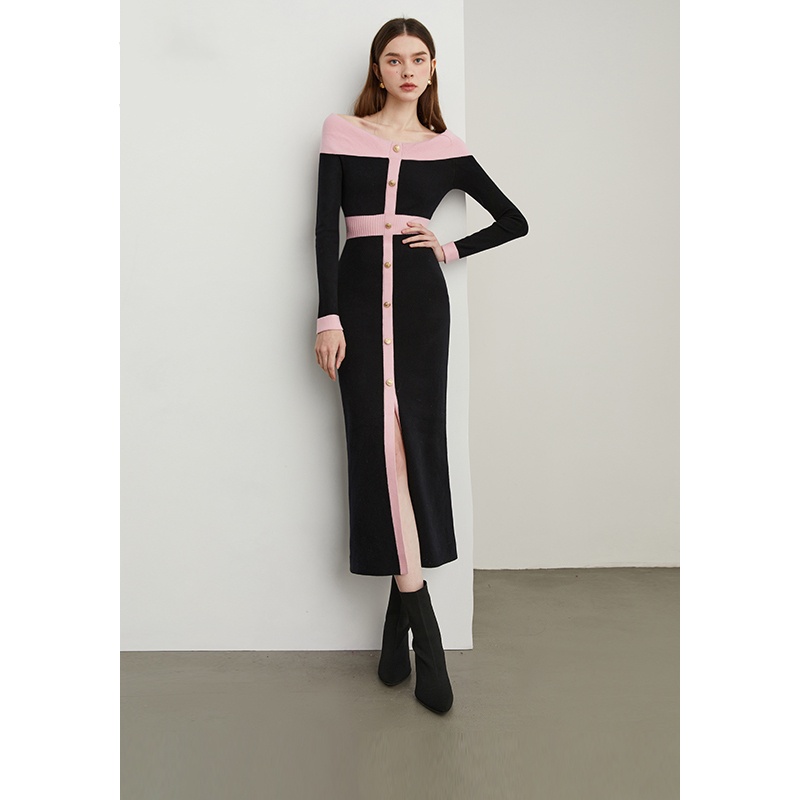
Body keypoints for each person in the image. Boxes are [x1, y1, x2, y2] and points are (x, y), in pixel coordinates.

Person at [313, 17, 529, 714]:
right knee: (376, 451)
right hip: (355, 304)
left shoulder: (448, 148)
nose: (407, 70)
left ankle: (398, 634)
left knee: (416, 449)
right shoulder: (342, 132)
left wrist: (451, 247)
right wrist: (327, 316)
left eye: (419, 59)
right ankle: (423, 630)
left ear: (432, 69)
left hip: (420, 310)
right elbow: (322, 230)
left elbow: (513, 220)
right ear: (378, 69)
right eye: (394, 59)